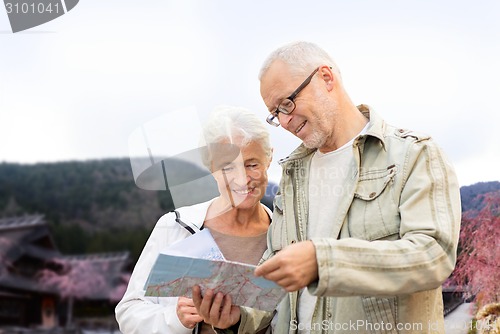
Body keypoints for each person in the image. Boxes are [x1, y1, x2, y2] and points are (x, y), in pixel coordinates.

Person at [193, 41, 462, 333]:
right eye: (275, 113)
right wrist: (237, 317)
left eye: (287, 104)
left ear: (326, 78)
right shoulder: (292, 174)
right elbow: (275, 273)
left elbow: (432, 256)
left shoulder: (414, 155)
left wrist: (324, 261)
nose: (284, 121)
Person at [115, 105, 273, 333]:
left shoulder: (285, 235)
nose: (242, 179)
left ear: (269, 159)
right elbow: (129, 312)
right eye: (227, 167)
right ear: (211, 169)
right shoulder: (174, 227)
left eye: (252, 165)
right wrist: (176, 319)